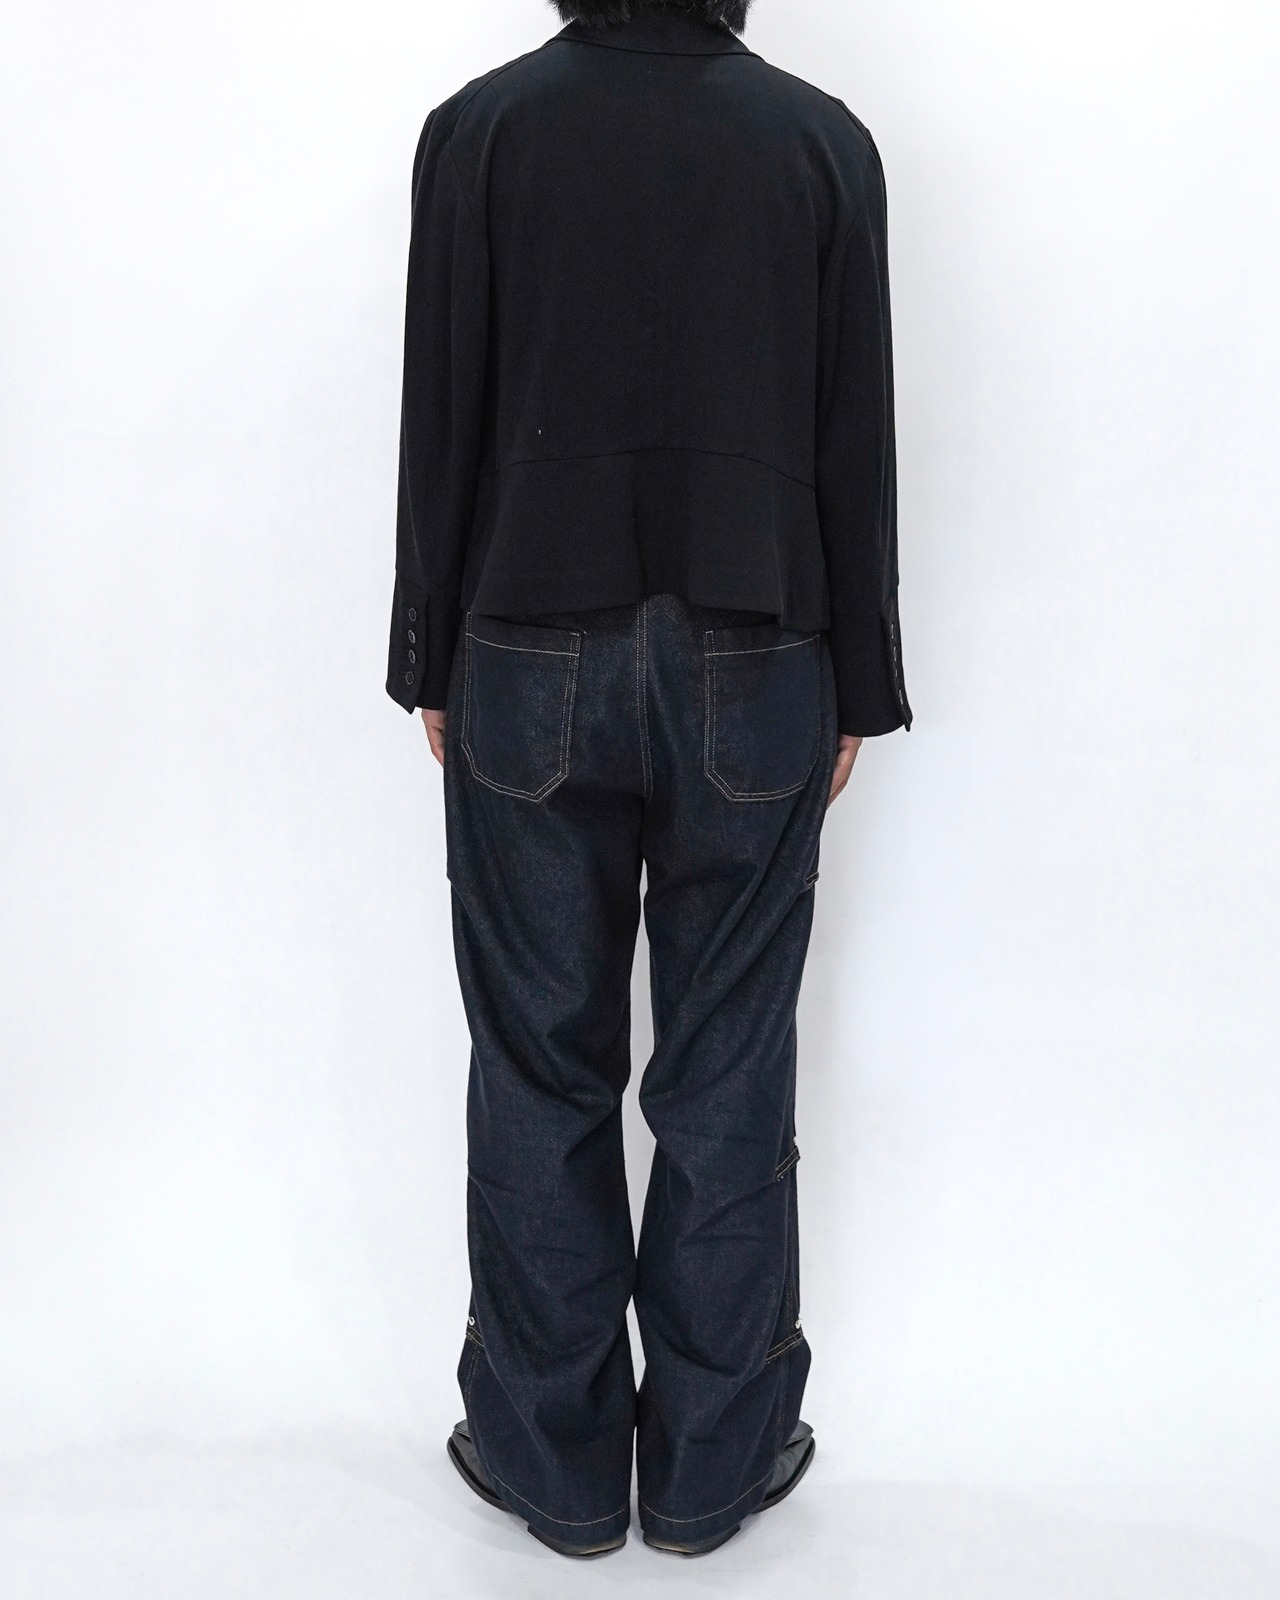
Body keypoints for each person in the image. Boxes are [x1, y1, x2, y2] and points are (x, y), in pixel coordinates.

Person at [384, 0, 913, 1560]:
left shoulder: (482, 132)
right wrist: (860, 682)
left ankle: (552, 1468)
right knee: (728, 1068)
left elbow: (442, 409)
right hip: (760, 649)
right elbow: (855, 439)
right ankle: (706, 1472)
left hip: (524, 646)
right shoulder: (820, 143)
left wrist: (428, 651)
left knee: (537, 1068)